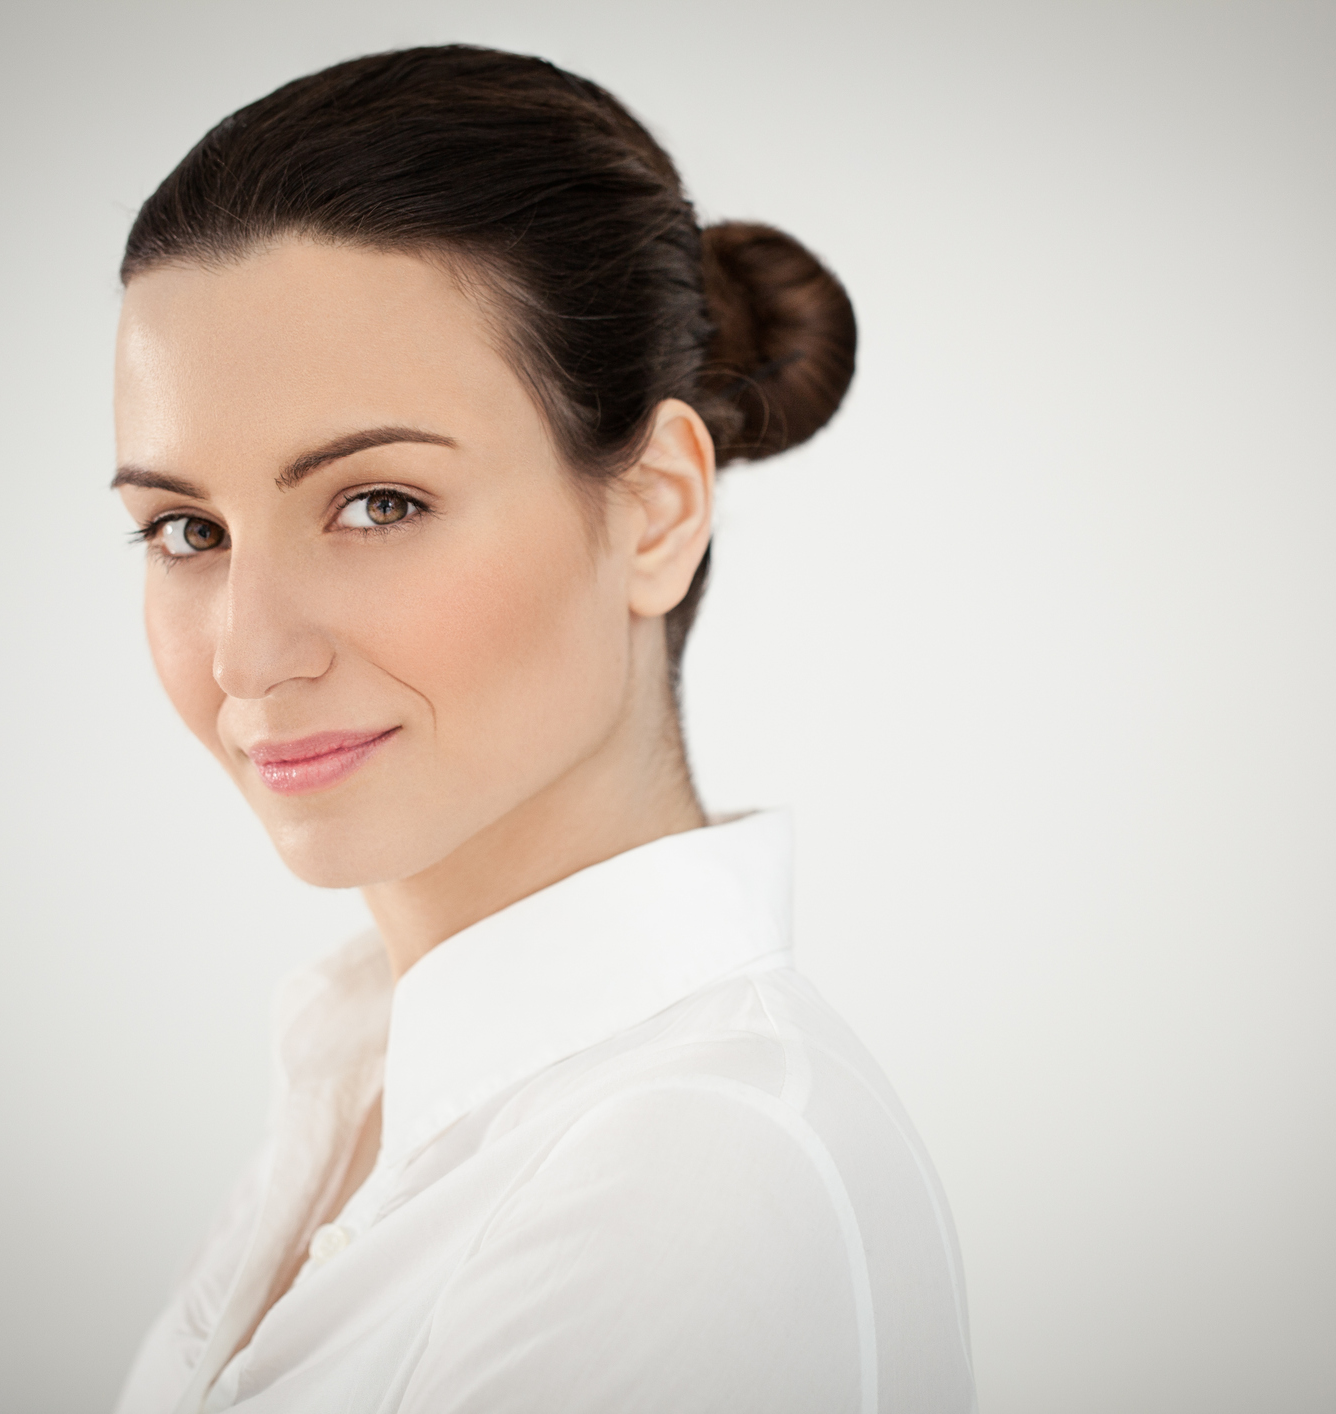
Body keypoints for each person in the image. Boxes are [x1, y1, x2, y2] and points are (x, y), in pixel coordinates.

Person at [108, 44, 973, 1413]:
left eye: (378, 503)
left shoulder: (687, 1178)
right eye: (185, 530)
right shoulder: (367, 1083)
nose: (248, 656)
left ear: (656, 510)